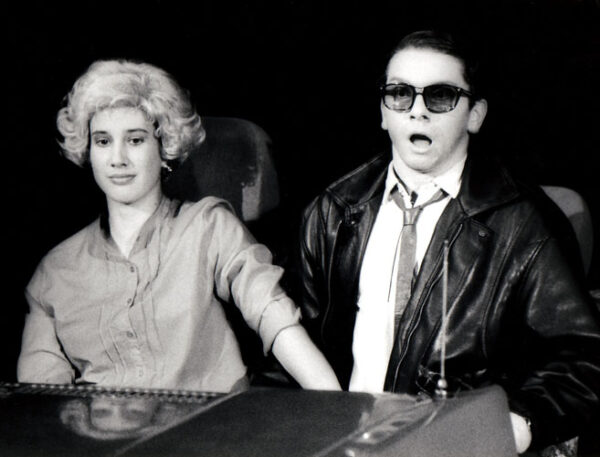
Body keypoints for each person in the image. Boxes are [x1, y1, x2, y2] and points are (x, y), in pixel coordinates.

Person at [298, 30, 599, 453]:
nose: (417, 111)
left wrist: (507, 430)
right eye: (400, 94)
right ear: (383, 111)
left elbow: (583, 359)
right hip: (347, 443)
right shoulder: (332, 211)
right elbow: (296, 350)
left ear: (475, 115)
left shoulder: (525, 222)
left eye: (440, 96)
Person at [17, 59, 341, 394]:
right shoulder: (55, 271)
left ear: (164, 147)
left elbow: (273, 315)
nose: (117, 159)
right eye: (102, 141)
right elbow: (38, 400)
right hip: (103, 428)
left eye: (135, 140)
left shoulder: (208, 227)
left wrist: (334, 404)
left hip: (214, 422)